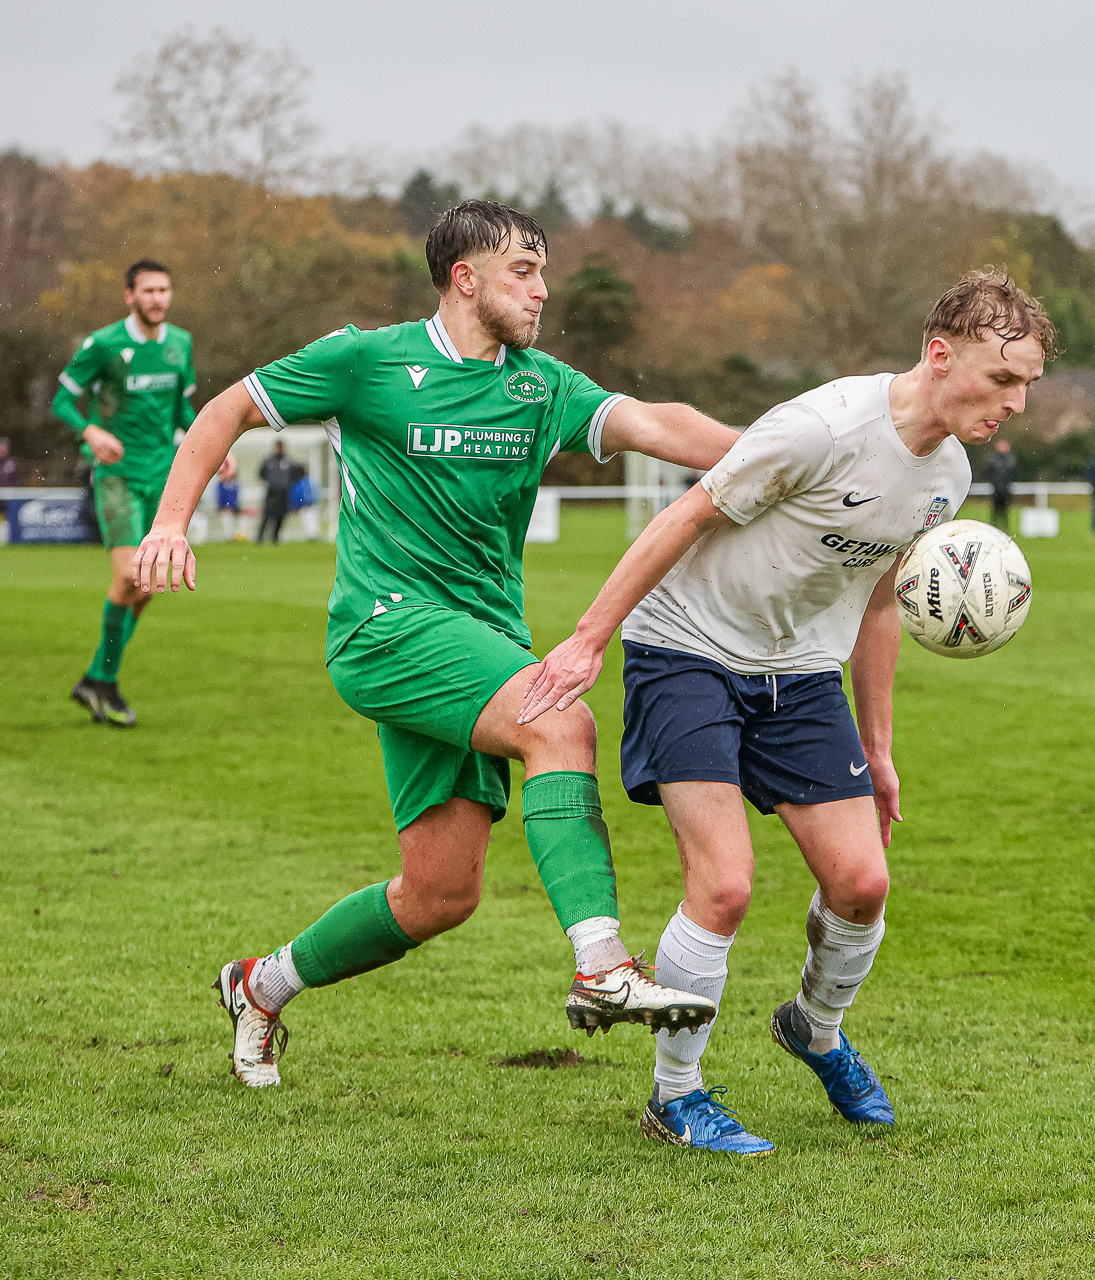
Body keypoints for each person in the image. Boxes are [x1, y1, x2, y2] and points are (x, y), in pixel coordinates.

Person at [131, 200, 740, 1089]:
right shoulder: (366, 360)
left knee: (439, 894)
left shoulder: (540, 385)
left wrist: (777, 457)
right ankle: (602, 966)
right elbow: (229, 408)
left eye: (543, 272)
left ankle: (259, 987)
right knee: (559, 721)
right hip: (385, 628)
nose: (541, 290)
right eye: (523, 272)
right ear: (465, 279)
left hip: (479, 642)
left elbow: (655, 422)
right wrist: (170, 522)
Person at [519, 269, 1051, 1154]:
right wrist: (587, 639)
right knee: (724, 884)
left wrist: (879, 750)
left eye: (1026, 383)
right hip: (686, 650)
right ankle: (675, 1097)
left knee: (863, 883)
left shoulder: (948, 474)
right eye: (1003, 378)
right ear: (940, 354)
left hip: (799, 674)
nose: (1017, 403)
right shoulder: (822, 428)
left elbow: (879, 603)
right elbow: (686, 516)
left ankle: (814, 1027)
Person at [52, 259, 196, 728]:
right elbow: (61, 401)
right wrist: (90, 430)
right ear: (130, 296)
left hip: (164, 477)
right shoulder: (104, 344)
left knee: (149, 585)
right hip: (117, 476)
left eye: (164, 290)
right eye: (149, 291)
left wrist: (210, 446)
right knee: (132, 576)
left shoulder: (180, 344)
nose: (158, 298)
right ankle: (104, 681)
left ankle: (96, 679)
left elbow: (181, 409)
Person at [256, 440, 301, 543]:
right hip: (272, 492)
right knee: (267, 515)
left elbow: (296, 474)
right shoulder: (268, 461)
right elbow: (261, 474)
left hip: (284, 492)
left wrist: (287, 483)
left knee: (281, 515)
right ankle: (260, 537)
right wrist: (271, 482)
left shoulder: (288, 461)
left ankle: (275, 537)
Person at [986, 438, 1019, 529]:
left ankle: (1005, 529)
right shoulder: (993, 458)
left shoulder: (1010, 459)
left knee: (1005, 512)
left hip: (1006, 490)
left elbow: (1013, 471)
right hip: (996, 489)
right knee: (995, 511)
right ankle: (993, 528)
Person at [213, 453, 242, 541]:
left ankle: (235, 536)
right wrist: (222, 505)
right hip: (225, 507)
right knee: (227, 521)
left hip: (233, 507)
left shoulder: (235, 484)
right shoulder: (221, 484)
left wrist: (235, 505)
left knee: (234, 522)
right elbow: (219, 495)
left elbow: (236, 496)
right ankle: (229, 537)